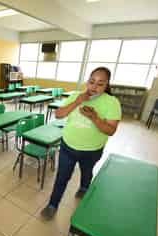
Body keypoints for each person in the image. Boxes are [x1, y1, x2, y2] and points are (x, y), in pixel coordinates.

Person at [41, 67, 122, 220]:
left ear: (106, 85)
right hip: (68, 147)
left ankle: (84, 187)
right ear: (87, 81)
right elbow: (58, 114)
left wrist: (94, 118)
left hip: (92, 151)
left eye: (100, 84)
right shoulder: (76, 96)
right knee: (62, 177)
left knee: (86, 172)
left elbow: (110, 130)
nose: (94, 87)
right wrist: (77, 102)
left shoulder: (112, 102)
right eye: (92, 82)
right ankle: (52, 204)